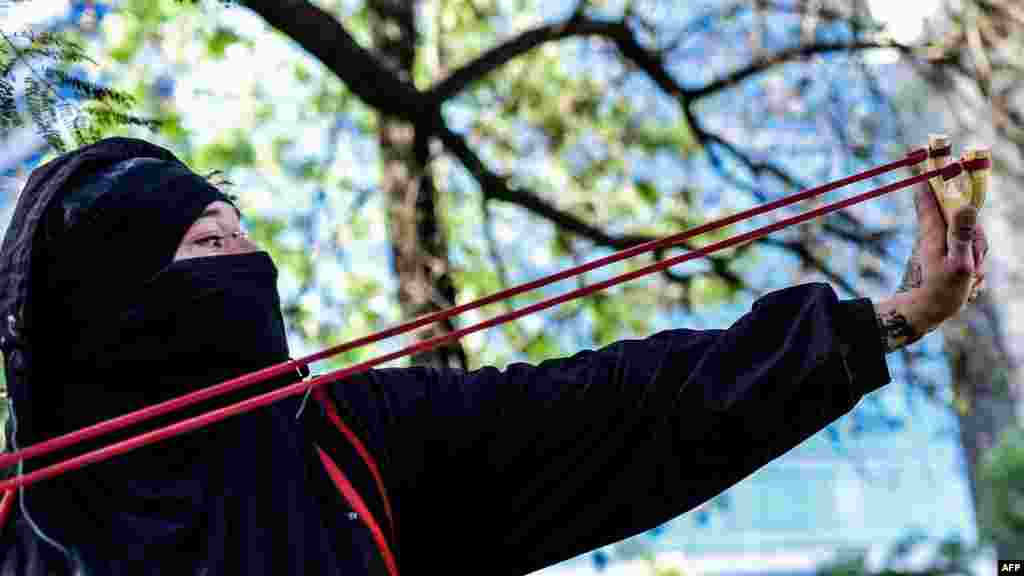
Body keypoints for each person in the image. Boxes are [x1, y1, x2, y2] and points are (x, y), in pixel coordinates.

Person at [0, 137, 988, 575]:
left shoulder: (356, 441)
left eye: (241, 235)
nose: (235, 246)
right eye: (197, 240)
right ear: (92, 305)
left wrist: (885, 321)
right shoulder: (17, 520)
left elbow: (625, 409)